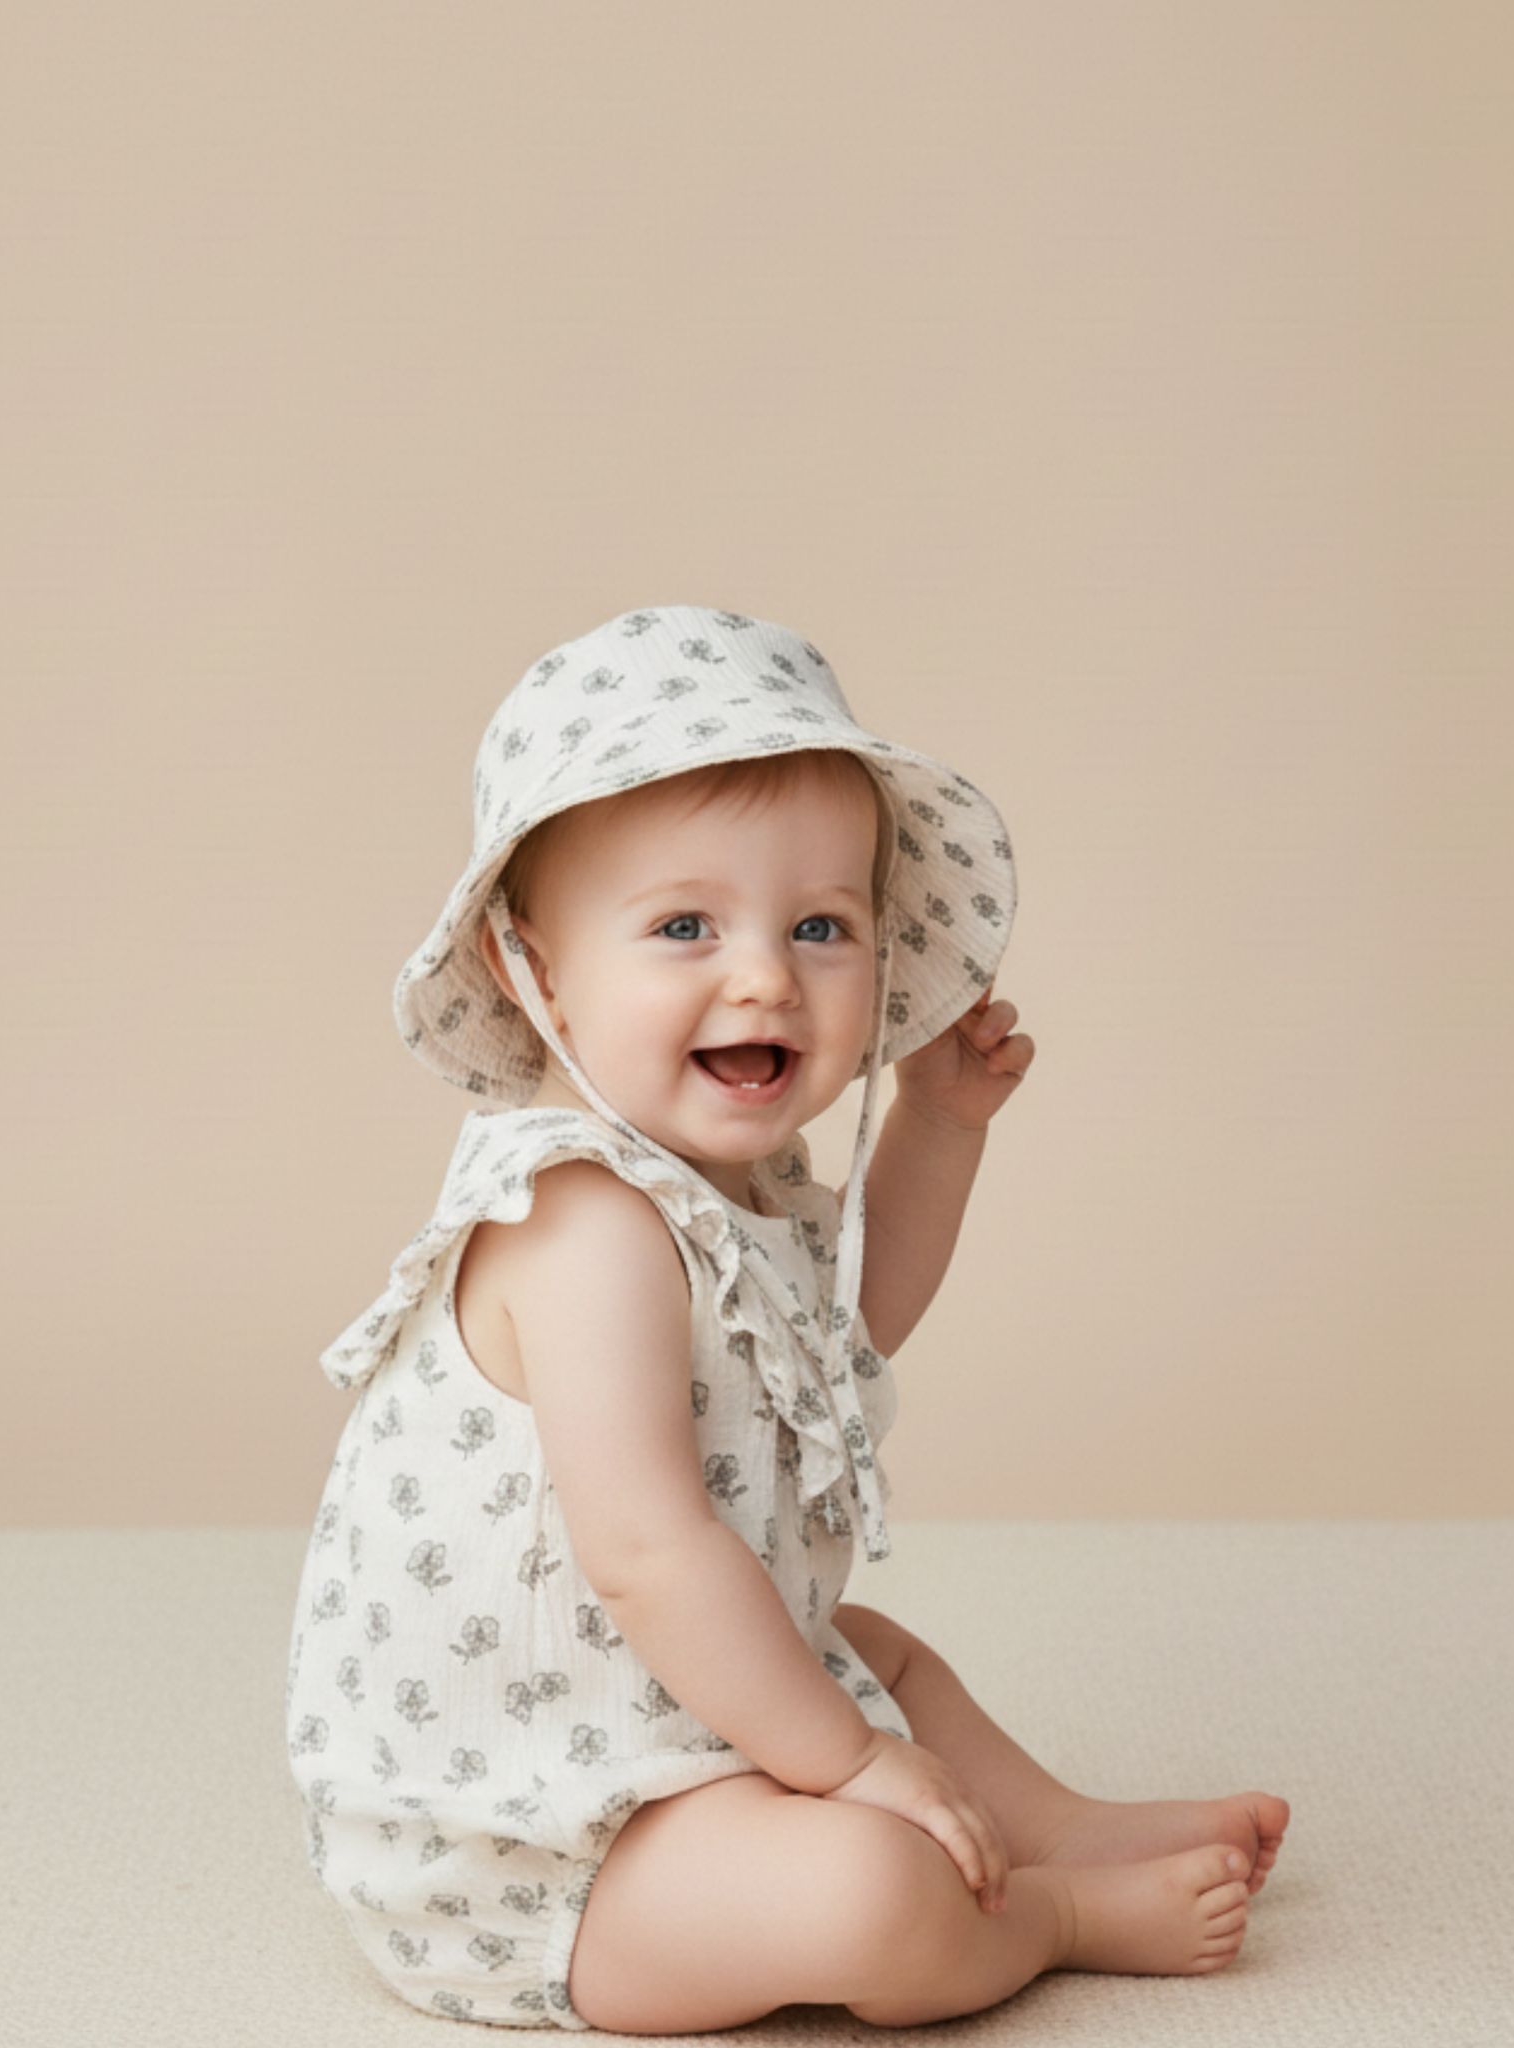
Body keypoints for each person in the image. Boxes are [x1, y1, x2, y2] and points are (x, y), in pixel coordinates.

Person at [285, 605, 1287, 2031]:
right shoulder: (583, 1221)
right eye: (683, 926)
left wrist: (939, 1127)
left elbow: (847, 1334)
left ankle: (1058, 1828)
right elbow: (647, 1553)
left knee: (875, 1653)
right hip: (544, 1845)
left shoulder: (728, 1190)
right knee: (871, 1890)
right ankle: (1051, 1914)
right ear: (535, 972)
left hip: (667, 1721)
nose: (763, 974)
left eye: (821, 926)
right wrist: (854, 1766)